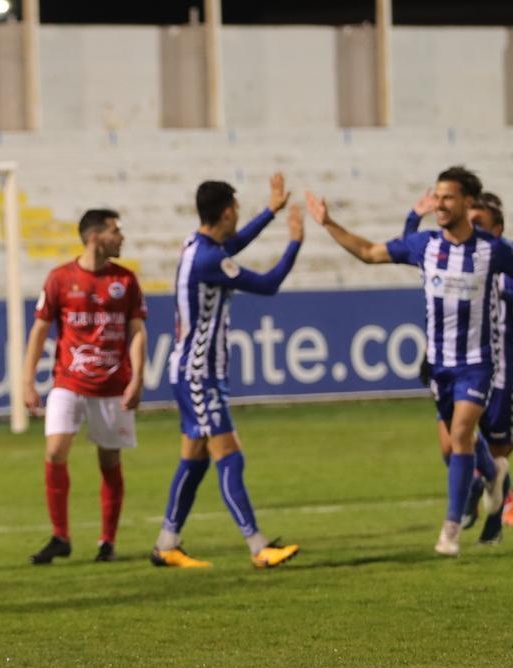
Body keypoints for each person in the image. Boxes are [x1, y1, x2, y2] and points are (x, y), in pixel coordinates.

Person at [307, 166, 513, 555]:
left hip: (477, 363)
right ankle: (494, 473)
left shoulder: (492, 250)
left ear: (468, 202)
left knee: (461, 435)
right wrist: (328, 223)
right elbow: (369, 253)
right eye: (437, 197)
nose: (440, 204)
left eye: (448, 197)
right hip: (439, 365)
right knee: (455, 446)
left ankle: (450, 530)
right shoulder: (425, 245)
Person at [151, 175, 303, 569]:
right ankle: (258, 547)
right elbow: (268, 284)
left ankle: (167, 543)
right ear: (227, 211)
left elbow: (231, 246)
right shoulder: (209, 258)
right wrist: (295, 242)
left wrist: (270, 211)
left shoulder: (197, 245)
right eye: (237, 208)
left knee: (195, 459)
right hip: (200, 374)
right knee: (229, 456)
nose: (239, 214)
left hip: (189, 370)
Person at [22, 209, 146, 565]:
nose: (121, 238)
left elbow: (137, 332)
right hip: (69, 381)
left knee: (109, 459)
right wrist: (28, 381)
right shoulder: (60, 278)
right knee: (55, 451)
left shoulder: (126, 280)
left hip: (112, 385)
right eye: (115, 231)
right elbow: (40, 331)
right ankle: (61, 536)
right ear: (95, 236)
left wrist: (137, 377)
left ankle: (107, 541)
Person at [400, 186, 511, 545]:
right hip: (452, 368)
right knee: (450, 446)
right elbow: (412, 253)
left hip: (497, 374)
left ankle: (490, 525)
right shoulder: (450, 260)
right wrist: (413, 218)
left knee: (491, 450)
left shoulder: (501, 270)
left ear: (496, 232)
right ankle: (475, 486)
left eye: (480, 222)